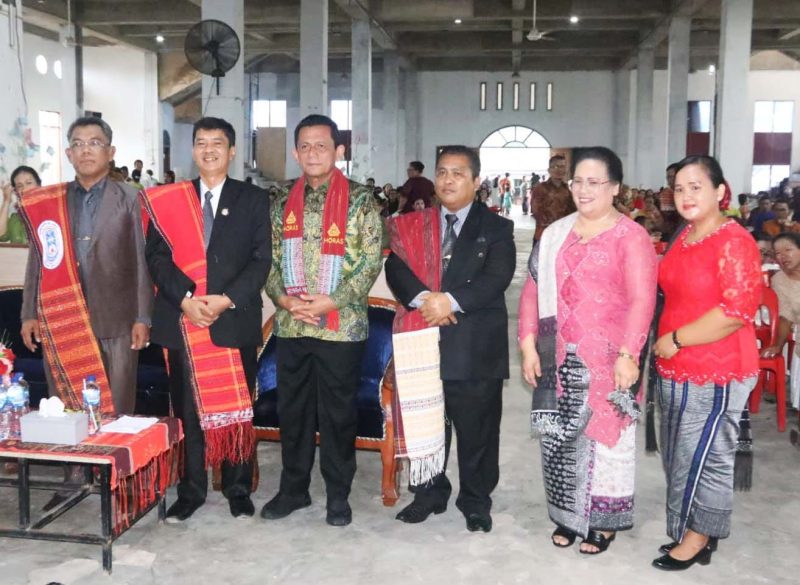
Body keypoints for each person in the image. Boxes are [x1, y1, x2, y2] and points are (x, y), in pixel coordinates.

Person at [519, 146, 657, 555]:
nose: (583, 189)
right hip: (559, 354)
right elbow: (532, 290)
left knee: (607, 440)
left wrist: (629, 355)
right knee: (562, 439)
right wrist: (528, 344)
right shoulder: (555, 234)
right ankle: (566, 515)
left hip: (610, 358)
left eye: (594, 182)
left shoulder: (630, 236)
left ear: (614, 188)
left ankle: (603, 521)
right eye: (578, 181)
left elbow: (641, 300)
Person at [19, 117, 153, 509]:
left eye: (95, 143)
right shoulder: (50, 201)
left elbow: (144, 263)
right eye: (77, 143)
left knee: (118, 404)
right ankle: (73, 478)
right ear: (67, 153)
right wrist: (30, 313)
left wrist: (143, 317)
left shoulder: (131, 198)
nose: (86, 150)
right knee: (65, 403)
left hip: (118, 317)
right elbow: (37, 262)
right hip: (62, 319)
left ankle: (118, 480)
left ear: (111, 152)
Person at [144, 116, 271, 521]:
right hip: (183, 320)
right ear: (193, 149)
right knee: (188, 411)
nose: (209, 149)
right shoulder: (169, 199)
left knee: (237, 410)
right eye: (201, 142)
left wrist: (225, 299)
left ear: (232, 151)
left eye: (218, 142)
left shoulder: (253, 199)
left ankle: (237, 487)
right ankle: (192, 490)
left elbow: (260, 260)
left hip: (232, 318)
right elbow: (156, 257)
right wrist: (185, 299)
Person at [385, 145, 515, 533]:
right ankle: (428, 493)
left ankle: (475, 500)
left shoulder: (496, 228)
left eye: (459, 173)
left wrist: (451, 302)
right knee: (427, 422)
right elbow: (395, 265)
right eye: (442, 172)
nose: (448, 179)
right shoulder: (413, 223)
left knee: (477, 429)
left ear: (477, 182)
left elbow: (497, 278)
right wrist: (427, 301)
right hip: (423, 339)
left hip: (474, 344)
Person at [262, 114, 383, 527]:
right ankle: (294, 490)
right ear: (295, 153)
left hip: (342, 327)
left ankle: (337, 495)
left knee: (337, 415)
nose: (313, 153)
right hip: (292, 325)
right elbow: (270, 262)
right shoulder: (280, 203)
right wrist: (282, 298)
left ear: (339, 151)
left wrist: (329, 301)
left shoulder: (363, 202)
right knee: (292, 412)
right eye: (305, 146)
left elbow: (368, 264)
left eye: (322, 145)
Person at [652, 155, 761, 571]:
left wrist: (676, 338)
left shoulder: (734, 240)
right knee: (681, 453)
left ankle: (699, 538)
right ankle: (692, 527)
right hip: (677, 364)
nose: (685, 195)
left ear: (720, 192)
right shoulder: (687, 233)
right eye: (679, 188)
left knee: (709, 455)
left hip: (718, 366)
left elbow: (735, 312)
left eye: (696, 186)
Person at [761, 232, 800, 411]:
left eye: (788, 250)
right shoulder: (779, 280)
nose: (782, 256)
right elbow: (785, 316)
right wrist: (777, 344)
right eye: (777, 253)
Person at [531, 155, 574, 242]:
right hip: (543, 235)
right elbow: (536, 211)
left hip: (562, 236)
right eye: (555, 166)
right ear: (549, 170)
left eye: (562, 167)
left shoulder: (568, 189)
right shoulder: (540, 188)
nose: (559, 170)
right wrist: (553, 225)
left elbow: (572, 211)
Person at [1, 166, 41, 244]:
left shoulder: (51, 212)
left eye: (29, 183)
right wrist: (6, 201)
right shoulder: (15, 219)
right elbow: (1, 235)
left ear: (39, 185)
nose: (25, 189)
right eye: (19, 186)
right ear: (15, 191)